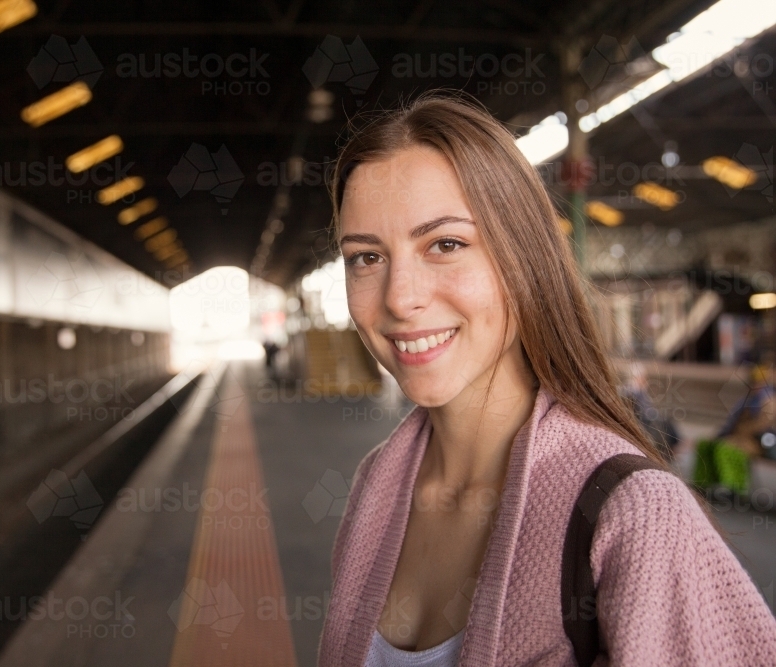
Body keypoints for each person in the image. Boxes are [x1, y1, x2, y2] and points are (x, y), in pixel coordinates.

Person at [316, 93, 776, 667]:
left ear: (523, 258)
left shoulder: (632, 513)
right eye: (366, 257)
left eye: (446, 244)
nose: (400, 298)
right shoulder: (375, 488)